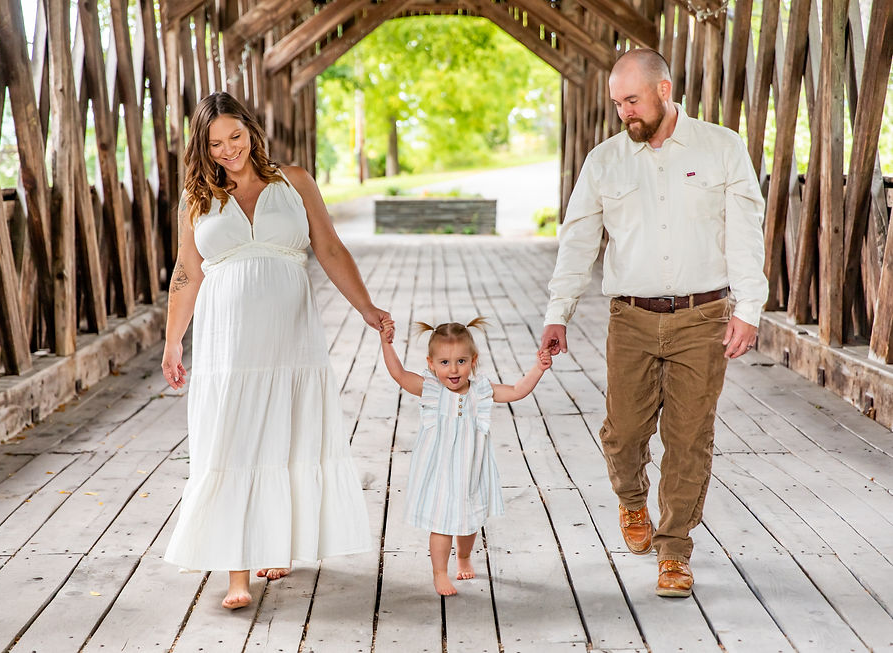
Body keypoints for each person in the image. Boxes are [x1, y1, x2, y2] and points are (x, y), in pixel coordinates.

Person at [540, 49, 767, 598]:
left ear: (665, 90)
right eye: (618, 104)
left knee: (689, 438)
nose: (625, 114)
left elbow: (745, 232)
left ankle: (674, 550)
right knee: (622, 437)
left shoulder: (722, 148)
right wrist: (558, 313)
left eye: (633, 101)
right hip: (632, 320)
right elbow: (577, 242)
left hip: (702, 316)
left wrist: (748, 309)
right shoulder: (605, 161)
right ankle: (633, 499)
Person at [160, 92, 390, 610]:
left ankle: (277, 540)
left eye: (235, 137)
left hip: (290, 338)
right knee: (232, 439)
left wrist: (366, 309)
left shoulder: (295, 182)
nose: (227, 150)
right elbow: (187, 273)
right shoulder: (197, 197)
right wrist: (173, 341)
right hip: (228, 344)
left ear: (252, 131)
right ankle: (237, 573)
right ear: (203, 145)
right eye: (215, 143)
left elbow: (329, 248)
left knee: (286, 435)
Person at [379, 317, 552, 595]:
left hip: (470, 470)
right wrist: (386, 344)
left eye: (461, 361)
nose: (453, 369)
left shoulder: (482, 392)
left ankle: (463, 557)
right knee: (442, 523)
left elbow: (518, 391)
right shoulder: (431, 389)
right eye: (444, 363)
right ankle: (439, 573)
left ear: (473, 360)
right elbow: (399, 374)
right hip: (438, 472)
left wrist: (539, 368)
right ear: (432, 363)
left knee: (469, 521)